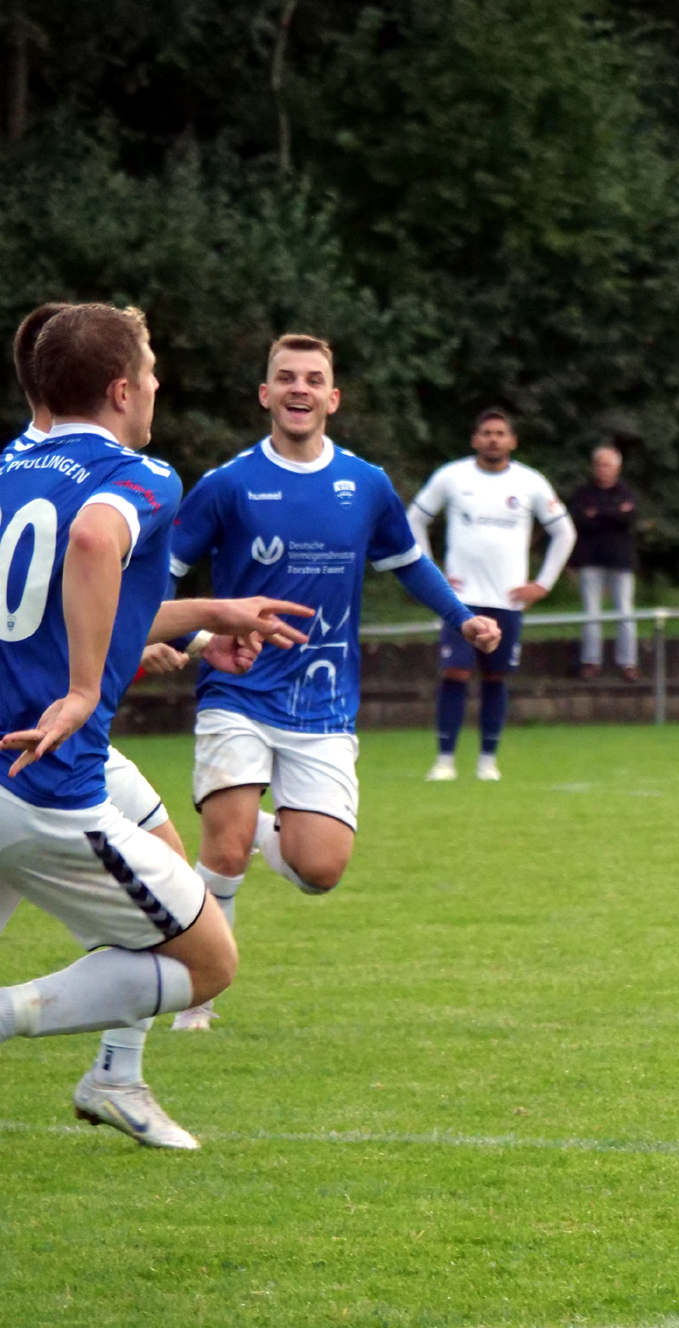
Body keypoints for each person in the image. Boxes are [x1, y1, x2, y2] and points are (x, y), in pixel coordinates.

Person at [0, 302, 312, 1149]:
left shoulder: (11, 467)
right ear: (120, 389)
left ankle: (116, 1076)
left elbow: (51, 604)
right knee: (206, 961)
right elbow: (94, 543)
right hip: (45, 777)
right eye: (149, 370)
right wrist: (81, 688)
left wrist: (207, 619)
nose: (157, 384)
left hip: (27, 754)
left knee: (165, 857)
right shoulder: (143, 476)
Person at [163, 334, 501, 1030]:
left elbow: (408, 562)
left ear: (333, 398)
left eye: (314, 379)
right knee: (222, 851)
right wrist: (190, 641)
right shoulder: (227, 484)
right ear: (266, 394)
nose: (300, 389)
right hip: (240, 689)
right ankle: (198, 998)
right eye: (286, 377)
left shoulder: (365, 483)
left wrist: (462, 618)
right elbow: (159, 575)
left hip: (323, 701)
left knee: (320, 871)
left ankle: (258, 830)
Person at [410, 410, 575, 782]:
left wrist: (543, 583)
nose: (493, 439)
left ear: (512, 441)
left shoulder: (530, 482)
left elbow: (565, 532)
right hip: (460, 600)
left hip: (507, 600)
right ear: (475, 439)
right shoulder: (452, 476)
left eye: (500, 433)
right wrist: (431, 571)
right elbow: (414, 519)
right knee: (455, 672)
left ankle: (487, 760)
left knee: (496, 677)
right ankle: (445, 760)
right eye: (486, 432)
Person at [568, 443, 641, 682]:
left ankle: (628, 663)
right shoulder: (582, 493)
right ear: (593, 467)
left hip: (621, 560)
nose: (603, 469)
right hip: (590, 559)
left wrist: (598, 513)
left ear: (617, 468)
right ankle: (591, 661)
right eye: (599, 465)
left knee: (625, 612)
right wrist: (613, 513)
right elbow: (579, 520)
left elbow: (628, 519)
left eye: (607, 465)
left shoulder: (627, 493)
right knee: (591, 613)